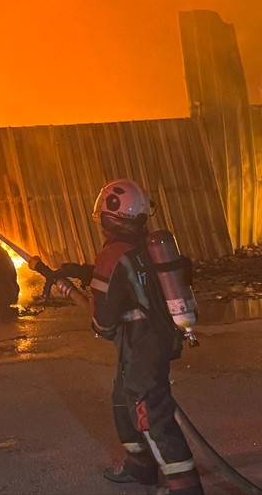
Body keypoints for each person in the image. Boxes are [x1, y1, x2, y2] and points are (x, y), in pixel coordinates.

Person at [51, 178, 204, 495]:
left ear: (109, 217)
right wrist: (82, 271)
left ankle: (185, 489)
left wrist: (100, 325)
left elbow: (103, 321)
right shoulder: (143, 246)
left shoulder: (114, 253)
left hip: (141, 350)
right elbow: (130, 280)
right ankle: (141, 468)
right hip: (150, 343)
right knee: (123, 402)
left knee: (153, 419)